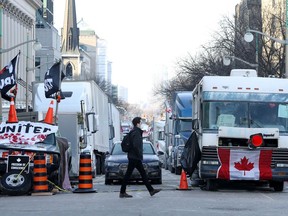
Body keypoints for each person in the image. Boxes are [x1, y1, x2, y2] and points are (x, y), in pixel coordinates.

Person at [119, 117, 161, 198]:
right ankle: (122, 192)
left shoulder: (133, 131)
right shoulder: (136, 132)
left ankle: (151, 190)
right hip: (135, 157)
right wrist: (139, 154)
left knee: (142, 174)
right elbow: (136, 145)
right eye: (140, 122)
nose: (141, 124)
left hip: (133, 156)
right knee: (130, 174)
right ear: (137, 123)